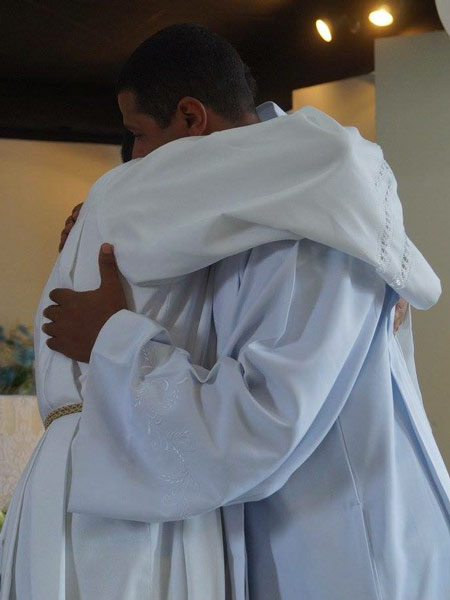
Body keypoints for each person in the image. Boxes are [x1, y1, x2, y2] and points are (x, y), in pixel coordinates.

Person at [1, 23, 449, 600]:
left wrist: (112, 339)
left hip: (348, 541)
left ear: (192, 118)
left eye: (137, 136)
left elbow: (264, 419)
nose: (133, 162)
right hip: (276, 527)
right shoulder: (240, 204)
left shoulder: (309, 208)